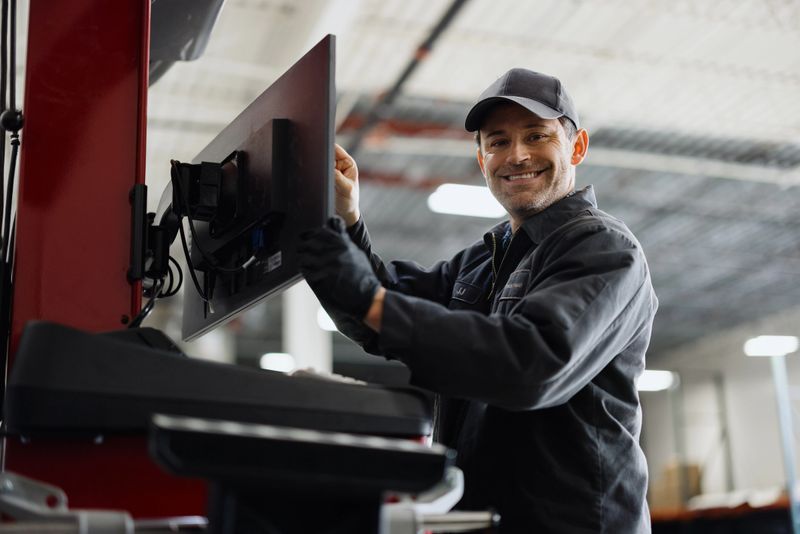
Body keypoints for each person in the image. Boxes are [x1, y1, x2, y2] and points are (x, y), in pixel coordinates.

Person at [297, 68, 658, 533]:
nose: (517, 155)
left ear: (577, 147)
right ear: (481, 158)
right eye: (498, 141)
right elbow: (381, 313)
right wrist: (347, 220)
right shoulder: (482, 261)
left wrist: (371, 300)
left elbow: (532, 363)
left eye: (536, 135)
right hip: (482, 519)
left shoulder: (604, 248)